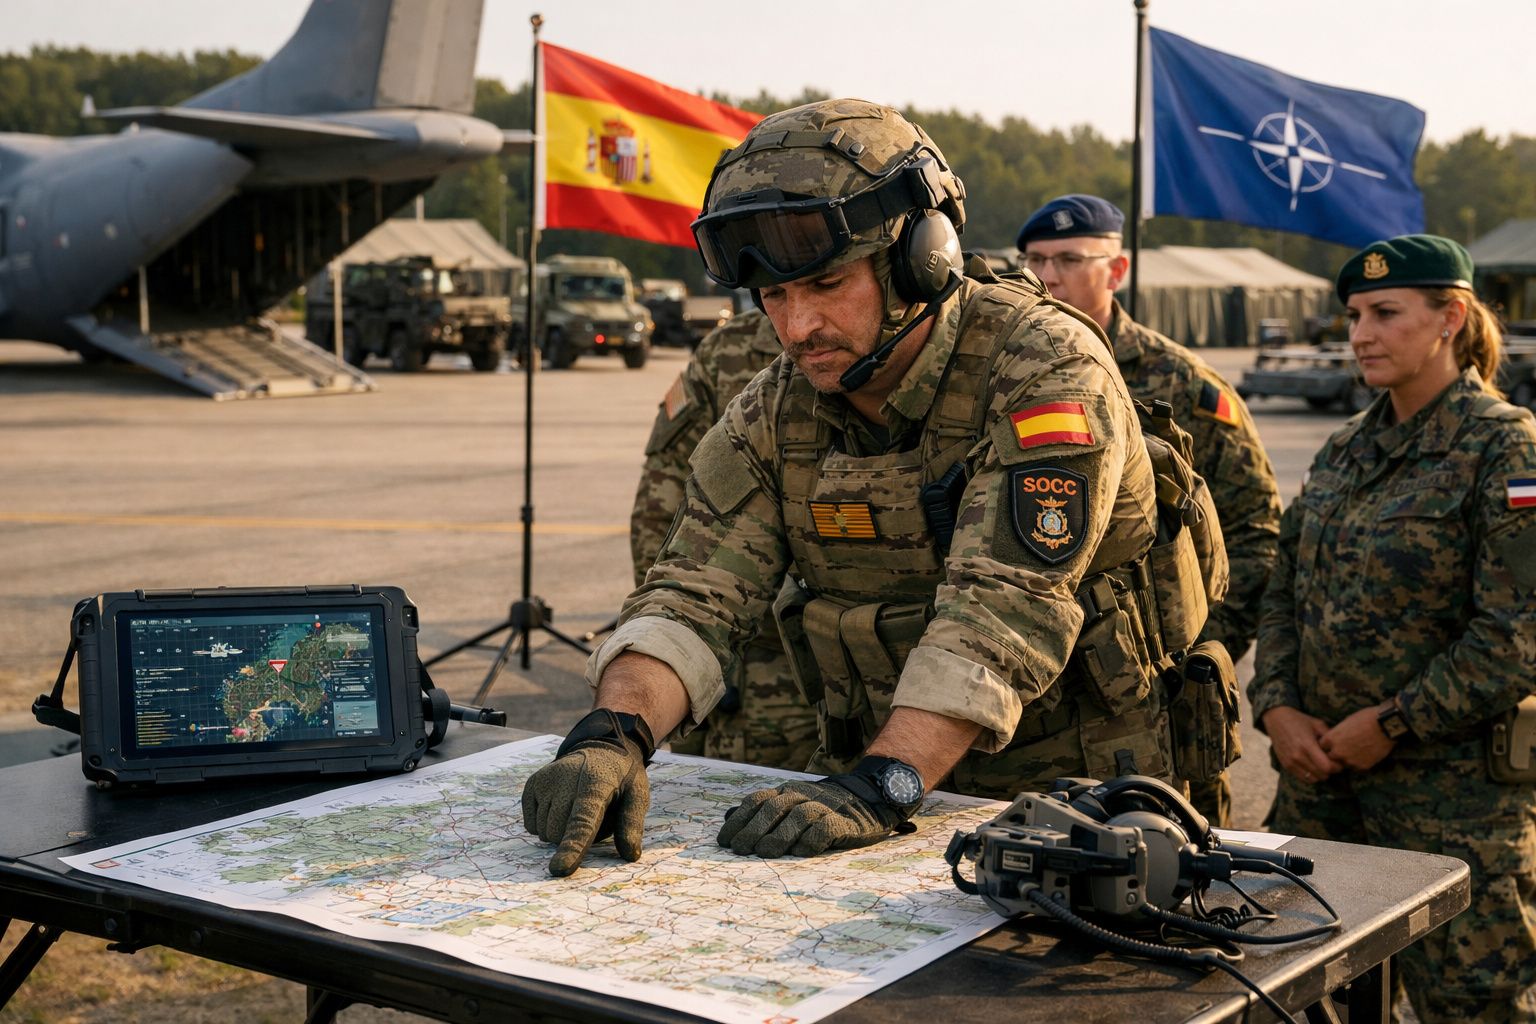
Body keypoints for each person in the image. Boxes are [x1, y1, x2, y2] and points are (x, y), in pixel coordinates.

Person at [521, 98, 1220, 878]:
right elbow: (693, 589)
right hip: (874, 787)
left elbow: (1003, 608)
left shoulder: (1042, 366)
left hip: (1079, 798)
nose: (796, 328)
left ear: (923, 257)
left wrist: (880, 786)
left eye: (824, 283)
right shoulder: (778, 403)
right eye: (774, 297)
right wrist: (611, 734)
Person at [1249, 234, 1536, 1022]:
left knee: (1474, 1005)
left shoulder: (1503, 446)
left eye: (1385, 313)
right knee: (1305, 996)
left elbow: (1516, 633)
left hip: (1450, 804)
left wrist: (1394, 723)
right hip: (1321, 788)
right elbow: (1284, 592)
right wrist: (1275, 708)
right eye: (1353, 316)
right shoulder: (1345, 449)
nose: (1361, 334)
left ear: (1449, 318)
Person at [1017, 194, 1282, 826]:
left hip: (1154, 705)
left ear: (1117, 270)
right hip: (1038, 704)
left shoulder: (1183, 385)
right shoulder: (1009, 373)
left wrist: (1197, 648)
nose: (1046, 277)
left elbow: (1257, 532)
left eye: (1068, 259)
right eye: (1034, 260)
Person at [630, 308, 819, 770]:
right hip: (729, 655)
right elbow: (662, 496)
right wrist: (682, 630)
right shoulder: (724, 350)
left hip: (827, 663)